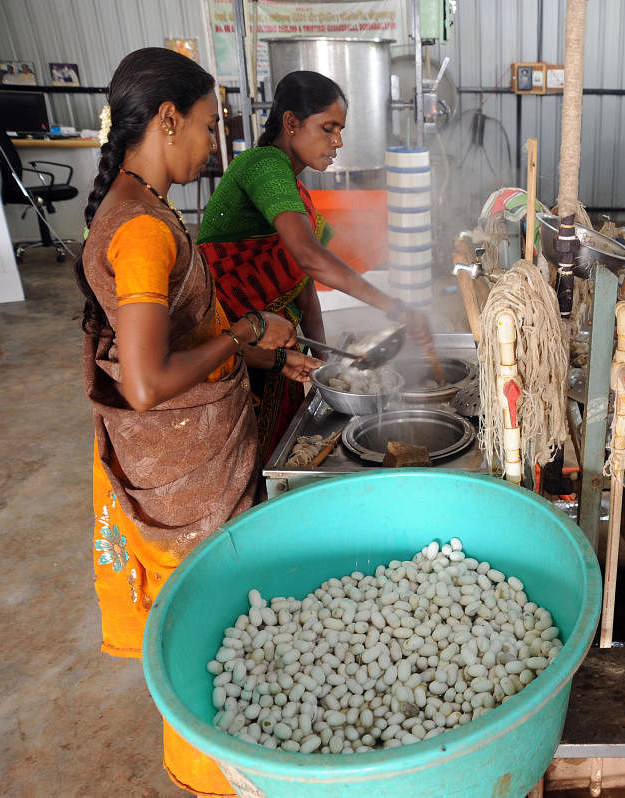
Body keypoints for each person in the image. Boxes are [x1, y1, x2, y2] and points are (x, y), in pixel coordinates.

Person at [76, 47, 308, 796]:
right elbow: (147, 383)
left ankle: (214, 763)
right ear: (167, 119)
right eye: (209, 127)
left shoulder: (140, 207)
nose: (214, 146)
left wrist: (263, 357)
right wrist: (241, 336)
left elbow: (173, 339)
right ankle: (213, 775)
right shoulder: (142, 231)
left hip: (186, 446)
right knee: (207, 621)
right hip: (181, 467)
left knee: (206, 621)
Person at [198, 70, 431, 461]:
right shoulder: (264, 165)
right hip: (234, 344)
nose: (338, 141)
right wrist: (395, 307)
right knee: (247, 462)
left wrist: (325, 369)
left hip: (275, 345)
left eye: (339, 129)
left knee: (279, 456)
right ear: (291, 123)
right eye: (328, 128)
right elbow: (309, 257)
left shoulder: (293, 185)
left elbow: (301, 283)